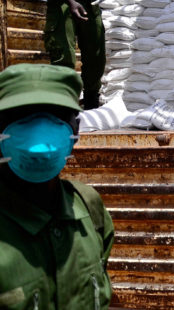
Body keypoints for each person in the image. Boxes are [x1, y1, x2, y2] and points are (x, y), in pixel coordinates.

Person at [0, 63, 114, 308]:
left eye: (55, 116)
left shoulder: (89, 208)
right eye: (22, 116)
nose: (39, 131)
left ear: (75, 131)